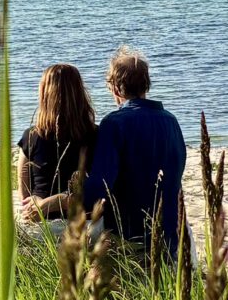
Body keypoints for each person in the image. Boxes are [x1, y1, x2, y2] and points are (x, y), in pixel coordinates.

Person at [75, 45, 187, 266]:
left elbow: (99, 186)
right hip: (170, 234)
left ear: (115, 88)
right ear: (146, 84)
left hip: (130, 237)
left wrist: (68, 198)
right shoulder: (171, 121)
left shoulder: (114, 124)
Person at [16, 63, 97, 225]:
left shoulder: (30, 136)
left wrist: (41, 203)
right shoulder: (95, 135)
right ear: (80, 94)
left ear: (44, 95)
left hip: (39, 224)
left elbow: (24, 193)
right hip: (82, 225)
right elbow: (99, 190)